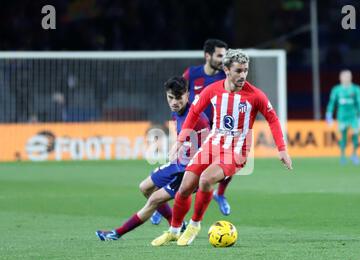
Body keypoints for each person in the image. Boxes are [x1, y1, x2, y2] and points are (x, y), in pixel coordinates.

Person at [151, 49, 293, 247]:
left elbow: (273, 119)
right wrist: (181, 139)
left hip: (237, 150)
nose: (243, 75)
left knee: (206, 179)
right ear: (226, 70)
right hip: (213, 143)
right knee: (184, 188)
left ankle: (194, 225)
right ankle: (174, 231)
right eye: (238, 71)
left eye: (245, 70)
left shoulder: (255, 95)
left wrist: (282, 149)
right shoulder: (213, 90)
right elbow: (194, 111)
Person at [96, 76, 210, 241]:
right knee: (145, 188)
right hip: (178, 164)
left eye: (179, 98)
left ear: (187, 95)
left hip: (190, 170)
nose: (174, 102)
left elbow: (207, 145)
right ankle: (177, 224)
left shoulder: (196, 118)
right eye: (170, 97)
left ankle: (116, 234)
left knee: (155, 199)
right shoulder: (177, 112)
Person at [150, 39, 232, 225]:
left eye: (225, 56)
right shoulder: (192, 74)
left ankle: (220, 195)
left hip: (214, 127)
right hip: (192, 126)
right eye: (220, 55)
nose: (223, 59)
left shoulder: (224, 77)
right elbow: (177, 90)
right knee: (181, 166)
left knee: (227, 162)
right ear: (207, 56)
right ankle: (161, 203)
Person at [325, 70, 360, 165]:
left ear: (351, 77)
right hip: (342, 116)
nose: (346, 78)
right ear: (340, 78)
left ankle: (354, 154)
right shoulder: (336, 90)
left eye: (348, 76)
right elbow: (332, 103)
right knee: (343, 135)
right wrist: (329, 114)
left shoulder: (356, 89)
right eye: (344, 76)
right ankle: (342, 155)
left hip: (353, 116)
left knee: (356, 133)